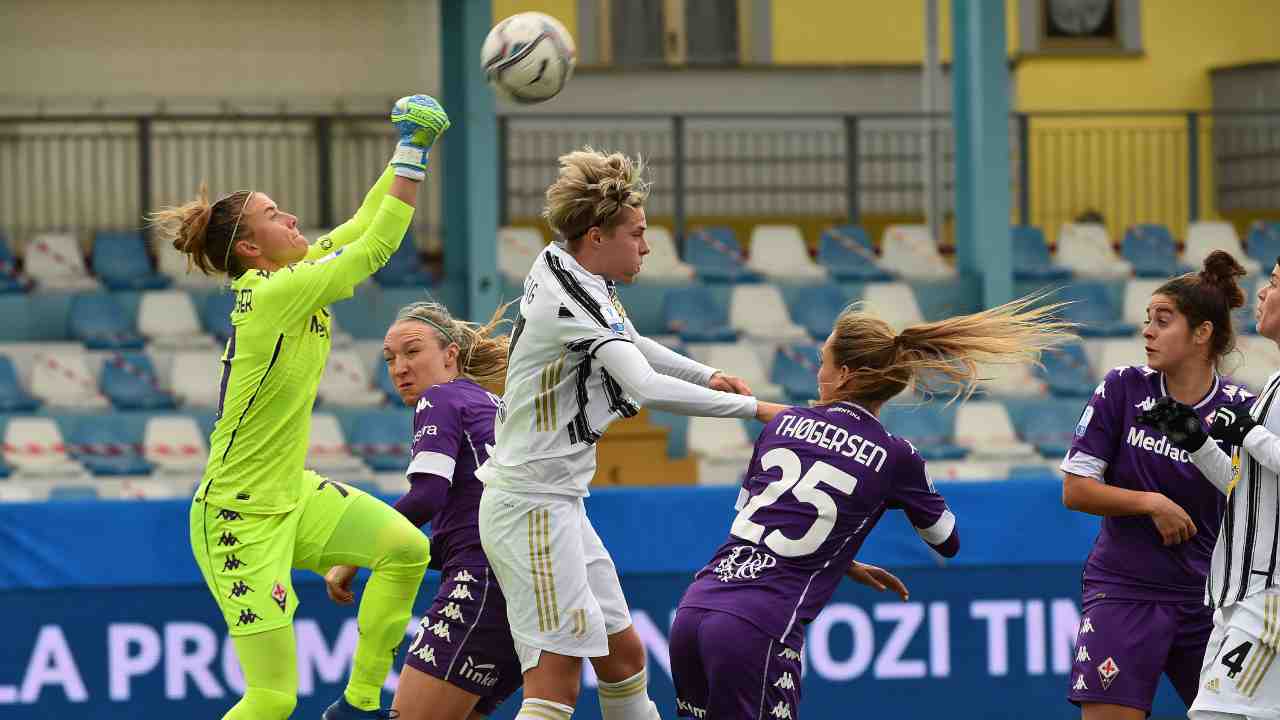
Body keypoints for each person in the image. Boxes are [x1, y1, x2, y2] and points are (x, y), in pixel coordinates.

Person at [151, 95, 450, 720]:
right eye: (271, 215)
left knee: (405, 550)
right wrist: (413, 151)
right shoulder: (273, 293)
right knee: (272, 698)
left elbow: (366, 221)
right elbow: (375, 250)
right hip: (238, 517)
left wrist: (407, 150)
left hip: (291, 494)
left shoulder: (292, 273)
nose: (290, 217)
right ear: (251, 249)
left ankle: (361, 703)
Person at [474, 147, 786, 720]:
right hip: (530, 508)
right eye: (638, 234)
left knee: (623, 656)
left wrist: (705, 373)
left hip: (555, 503)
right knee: (554, 686)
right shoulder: (574, 294)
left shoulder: (570, 270)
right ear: (597, 236)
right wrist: (759, 410)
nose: (646, 247)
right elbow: (642, 385)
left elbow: (630, 341)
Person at [668, 294, 1075, 720]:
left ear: (844, 375)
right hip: (757, 627)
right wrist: (901, 490)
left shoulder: (782, 425)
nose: (818, 371)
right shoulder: (897, 455)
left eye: (823, 360)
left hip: (696, 609)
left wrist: (842, 559)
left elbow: (766, 523)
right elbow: (947, 540)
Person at [1061, 250, 1252, 720]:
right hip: (1124, 590)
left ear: (1202, 333)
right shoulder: (1122, 388)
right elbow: (1076, 489)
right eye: (1148, 320)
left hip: (1210, 601)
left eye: (1162, 321)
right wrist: (1151, 502)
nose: (1147, 330)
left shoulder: (1242, 411)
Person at [323, 300, 523, 720]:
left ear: (451, 354)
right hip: (519, 592)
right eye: (390, 359)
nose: (399, 368)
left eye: (412, 351)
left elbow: (428, 495)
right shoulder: (489, 402)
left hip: (480, 589)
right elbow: (467, 526)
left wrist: (356, 554)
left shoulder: (440, 400)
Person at [1139, 255, 1280, 720]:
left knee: (1212, 715)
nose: (1262, 292)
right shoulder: (1275, 384)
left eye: (1275, 283)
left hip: (1270, 596)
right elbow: (1248, 490)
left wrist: (1251, 434)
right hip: (1236, 593)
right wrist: (1197, 442)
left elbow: (1258, 451)